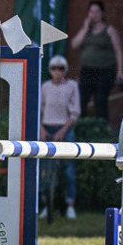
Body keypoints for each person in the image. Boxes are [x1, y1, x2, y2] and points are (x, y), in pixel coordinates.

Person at [70, 0, 123, 125]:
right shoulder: (86, 30)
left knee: (100, 99)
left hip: (104, 70)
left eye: (97, 11)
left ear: (102, 13)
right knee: (81, 99)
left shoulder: (109, 30)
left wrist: (120, 71)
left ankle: (101, 129)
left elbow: (118, 50)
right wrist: (85, 28)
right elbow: (74, 44)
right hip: (87, 70)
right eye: (91, 11)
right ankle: (81, 128)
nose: (94, 14)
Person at [39, 55, 80, 220]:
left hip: (65, 129)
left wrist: (61, 132)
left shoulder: (72, 86)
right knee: (46, 170)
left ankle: (70, 205)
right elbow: (39, 110)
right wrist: (42, 130)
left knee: (68, 169)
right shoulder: (45, 87)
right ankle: (46, 206)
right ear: (50, 70)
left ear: (65, 70)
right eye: (54, 68)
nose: (57, 71)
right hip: (47, 129)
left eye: (61, 68)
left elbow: (75, 112)